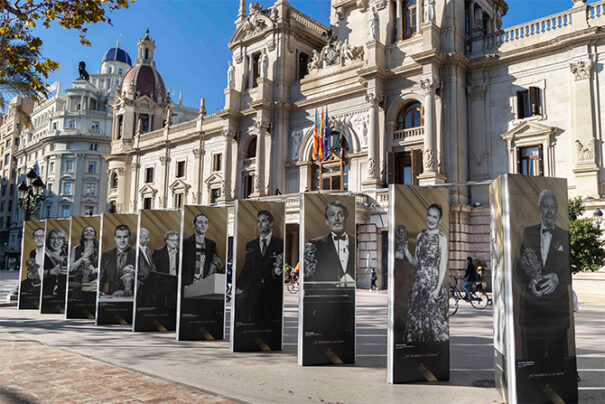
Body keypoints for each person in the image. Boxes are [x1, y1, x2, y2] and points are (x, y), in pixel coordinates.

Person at [515, 189, 571, 361]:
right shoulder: (528, 232)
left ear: (556, 209)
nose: (549, 211)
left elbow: (571, 270)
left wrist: (558, 278)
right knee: (533, 358)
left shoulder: (564, 235)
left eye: (552, 207)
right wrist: (530, 281)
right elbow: (518, 267)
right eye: (545, 207)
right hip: (532, 311)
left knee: (557, 359)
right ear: (539, 209)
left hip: (557, 312)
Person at [399, 203, 449, 343]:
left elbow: (443, 266)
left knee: (433, 328)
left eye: (435, 217)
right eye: (429, 215)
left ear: (440, 220)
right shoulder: (420, 235)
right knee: (416, 327)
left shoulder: (442, 238)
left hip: (433, 286)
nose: (431, 219)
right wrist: (406, 253)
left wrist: (437, 290)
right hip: (418, 287)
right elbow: (416, 263)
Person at [236, 210, 284, 325]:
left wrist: (279, 272)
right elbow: (247, 268)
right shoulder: (250, 245)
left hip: (273, 291)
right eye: (258, 221)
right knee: (255, 323)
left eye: (263, 221)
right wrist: (239, 286)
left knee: (271, 325)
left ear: (271, 223)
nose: (260, 224)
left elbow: (282, 268)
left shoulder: (280, 244)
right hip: (254, 292)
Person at [304, 200, 355, 284]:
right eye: (332, 215)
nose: (337, 218)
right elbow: (309, 278)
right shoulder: (315, 244)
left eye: (341, 214)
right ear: (326, 221)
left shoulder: (357, 242)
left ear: (346, 218)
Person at [181, 213, 222, 286]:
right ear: (194, 225)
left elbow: (214, 263)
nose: (203, 225)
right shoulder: (185, 242)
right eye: (200, 222)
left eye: (206, 223)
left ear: (208, 226)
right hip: (187, 284)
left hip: (204, 284)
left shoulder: (211, 244)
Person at [99, 224, 136, 297]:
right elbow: (101, 278)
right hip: (111, 297)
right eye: (119, 237)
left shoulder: (138, 254)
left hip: (132, 298)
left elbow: (143, 279)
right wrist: (98, 291)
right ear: (115, 238)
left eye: (125, 237)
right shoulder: (106, 255)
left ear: (129, 237)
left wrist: (126, 292)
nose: (122, 240)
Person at [68, 226, 99, 299]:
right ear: (82, 234)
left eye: (91, 231)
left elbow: (104, 266)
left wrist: (95, 269)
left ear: (94, 235)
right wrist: (84, 256)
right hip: (79, 279)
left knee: (90, 301)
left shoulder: (99, 248)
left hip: (93, 278)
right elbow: (70, 268)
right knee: (79, 301)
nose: (88, 232)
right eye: (86, 230)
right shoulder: (76, 248)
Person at [42, 229, 68, 297]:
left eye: (59, 238)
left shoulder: (69, 255)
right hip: (46, 293)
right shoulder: (41, 254)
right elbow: (32, 275)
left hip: (64, 294)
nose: (56, 241)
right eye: (52, 238)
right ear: (48, 240)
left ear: (63, 240)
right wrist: (50, 272)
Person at [21, 228, 45, 292]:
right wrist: (29, 274)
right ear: (33, 238)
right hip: (34, 281)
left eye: (42, 236)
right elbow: (30, 268)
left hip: (46, 282)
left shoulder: (50, 253)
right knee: (21, 286)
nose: (39, 238)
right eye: (36, 236)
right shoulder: (33, 253)